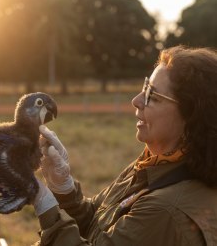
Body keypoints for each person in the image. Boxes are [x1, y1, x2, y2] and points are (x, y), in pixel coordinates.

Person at [32, 45, 217, 246]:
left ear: (192, 115)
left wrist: (44, 202)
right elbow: (95, 224)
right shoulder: (153, 164)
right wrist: (63, 187)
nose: (136, 100)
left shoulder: (164, 211)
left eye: (152, 96)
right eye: (145, 88)